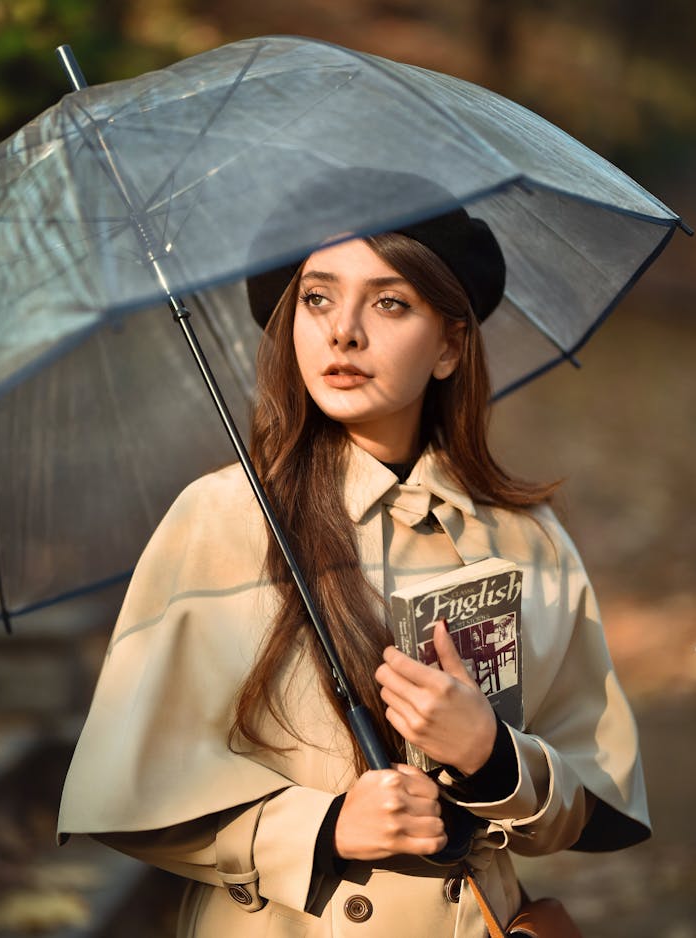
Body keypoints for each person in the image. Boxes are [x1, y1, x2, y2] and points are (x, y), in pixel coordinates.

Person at [57, 201, 650, 938]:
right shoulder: (225, 518)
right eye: (317, 297)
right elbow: (130, 788)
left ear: (449, 346)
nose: (343, 330)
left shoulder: (525, 539)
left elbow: (593, 790)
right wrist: (326, 827)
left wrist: (494, 760)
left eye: (390, 302)